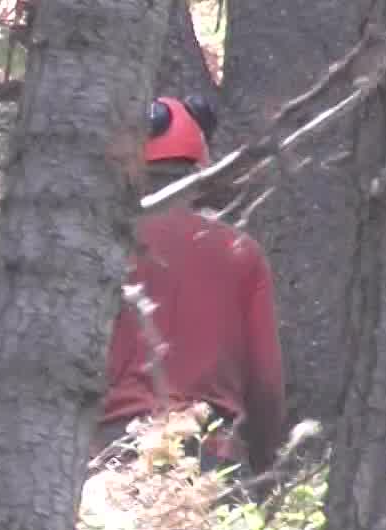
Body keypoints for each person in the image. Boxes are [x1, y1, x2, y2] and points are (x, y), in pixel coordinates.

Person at [97, 95, 288, 479]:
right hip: (211, 456)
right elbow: (265, 384)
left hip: (114, 457)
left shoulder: (99, 249)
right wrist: (264, 468)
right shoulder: (240, 253)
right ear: (199, 169)